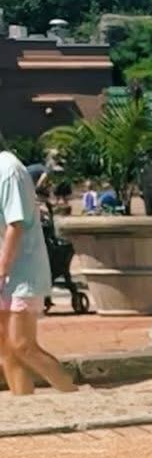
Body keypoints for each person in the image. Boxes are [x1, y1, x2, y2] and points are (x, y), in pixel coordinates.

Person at [0, 141, 79, 396]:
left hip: (21, 270)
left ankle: (71, 393)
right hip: (7, 270)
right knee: (5, 346)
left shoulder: (9, 170)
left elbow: (15, 224)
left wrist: (2, 269)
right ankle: (24, 402)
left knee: (22, 345)